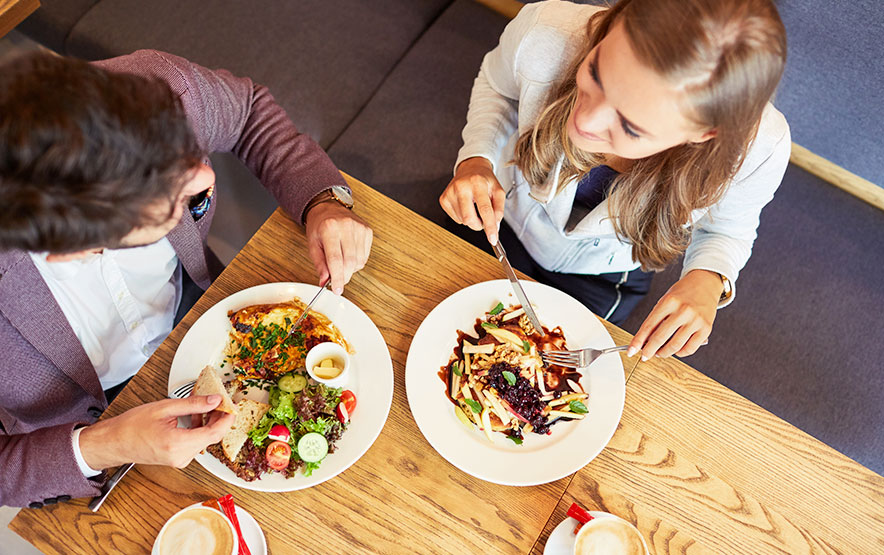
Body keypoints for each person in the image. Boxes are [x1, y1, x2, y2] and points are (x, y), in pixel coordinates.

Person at [0, 50, 372, 507]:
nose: (204, 176)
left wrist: (322, 202)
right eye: (175, 198)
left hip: (201, 316)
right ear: (74, 247)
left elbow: (249, 112)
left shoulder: (160, 89)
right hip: (71, 443)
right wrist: (103, 445)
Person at [441, 0, 789, 361]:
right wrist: (476, 160)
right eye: (595, 73)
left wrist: (708, 279)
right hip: (503, 217)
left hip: (603, 274)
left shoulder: (759, 150)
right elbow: (498, 87)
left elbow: (728, 230)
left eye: (630, 126)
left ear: (704, 133)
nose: (584, 123)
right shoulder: (543, 31)